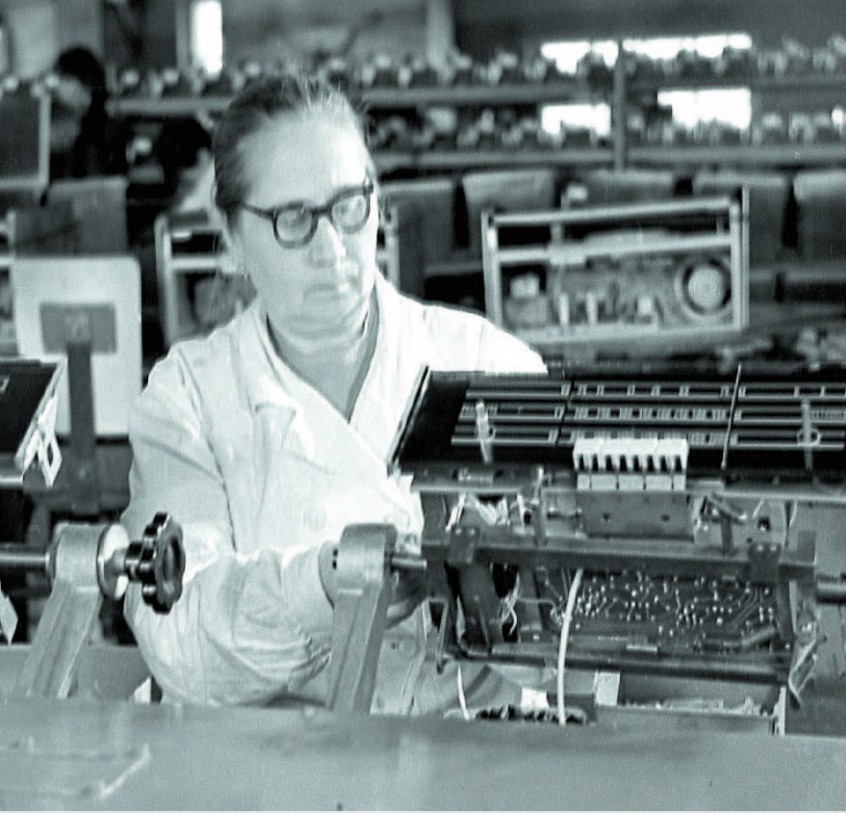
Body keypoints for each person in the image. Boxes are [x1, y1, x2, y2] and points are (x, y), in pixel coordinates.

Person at [121, 71, 546, 711]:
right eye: (294, 219)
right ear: (231, 238)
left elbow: (574, 632)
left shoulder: (487, 364)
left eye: (349, 206)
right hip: (278, 763)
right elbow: (180, 640)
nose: (332, 249)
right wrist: (323, 587)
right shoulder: (190, 400)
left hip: (477, 750)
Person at [49, 46, 126, 179]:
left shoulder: (105, 129)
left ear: (85, 85)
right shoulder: (56, 118)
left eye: (63, 78)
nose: (57, 87)